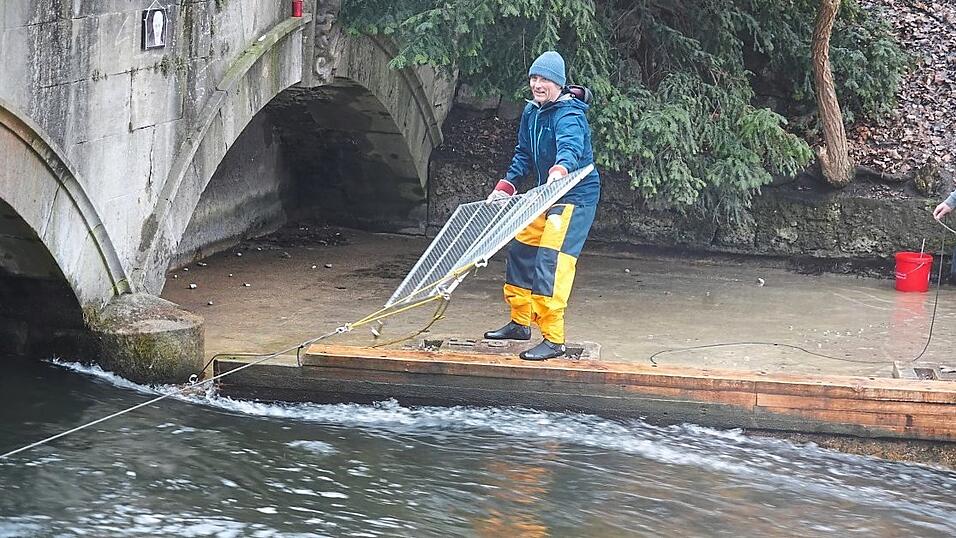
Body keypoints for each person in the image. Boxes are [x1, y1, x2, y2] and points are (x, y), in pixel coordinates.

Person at [483, 50, 601, 361]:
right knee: (522, 249)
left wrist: (560, 171)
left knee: (551, 261)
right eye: (534, 78)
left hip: (574, 195)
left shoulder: (570, 114)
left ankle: (554, 339)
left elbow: (570, 148)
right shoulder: (532, 111)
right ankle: (520, 323)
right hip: (545, 193)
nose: (537, 84)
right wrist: (506, 186)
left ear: (558, 84)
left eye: (544, 79)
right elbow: (523, 154)